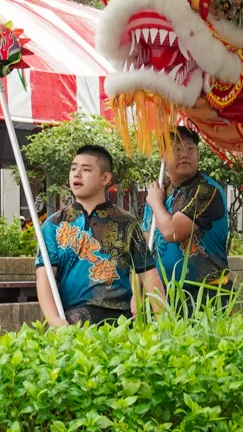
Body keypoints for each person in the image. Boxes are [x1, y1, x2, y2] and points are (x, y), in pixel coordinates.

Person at [35, 144, 165, 326]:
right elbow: (44, 277)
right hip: (71, 326)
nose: (77, 174)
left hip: (119, 325)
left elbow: (149, 275)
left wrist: (165, 323)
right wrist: (54, 319)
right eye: (73, 168)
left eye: (86, 169)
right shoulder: (54, 224)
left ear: (105, 178)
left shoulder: (126, 223)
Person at [142, 126, 230, 303]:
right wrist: (138, 294)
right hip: (162, 295)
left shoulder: (206, 191)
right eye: (176, 149)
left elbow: (172, 232)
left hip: (205, 295)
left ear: (198, 155)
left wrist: (156, 203)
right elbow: (144, 246)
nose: (184, 154)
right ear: (163, 156)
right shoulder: (159, 192)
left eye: (190, 148)